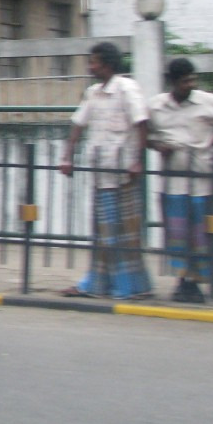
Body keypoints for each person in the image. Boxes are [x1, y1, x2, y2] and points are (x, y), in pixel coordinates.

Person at [59, 41, 153, 300]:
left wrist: (137, 160)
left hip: (123, 173)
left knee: (125, 235)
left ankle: (131, 287)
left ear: (108, 64)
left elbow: (142, 123)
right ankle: (98, 284)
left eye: (95, 62)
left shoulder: (127, 89)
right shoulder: (93, 93)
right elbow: (78, 124)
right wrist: (67, 156)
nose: (91, 67)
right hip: (101, 174)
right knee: (104, 234)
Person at [148, 58, 213, 303]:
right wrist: (157, 145)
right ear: (173, 82)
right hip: (172, 182)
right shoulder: (156, 106)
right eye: (185, 81)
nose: (190, 84)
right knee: (177, 234)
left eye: (192, 79)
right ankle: (181, 280)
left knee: (200, 235)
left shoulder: (208, 102)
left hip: (200, 182)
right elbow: (144, 133)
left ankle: (197, 282)